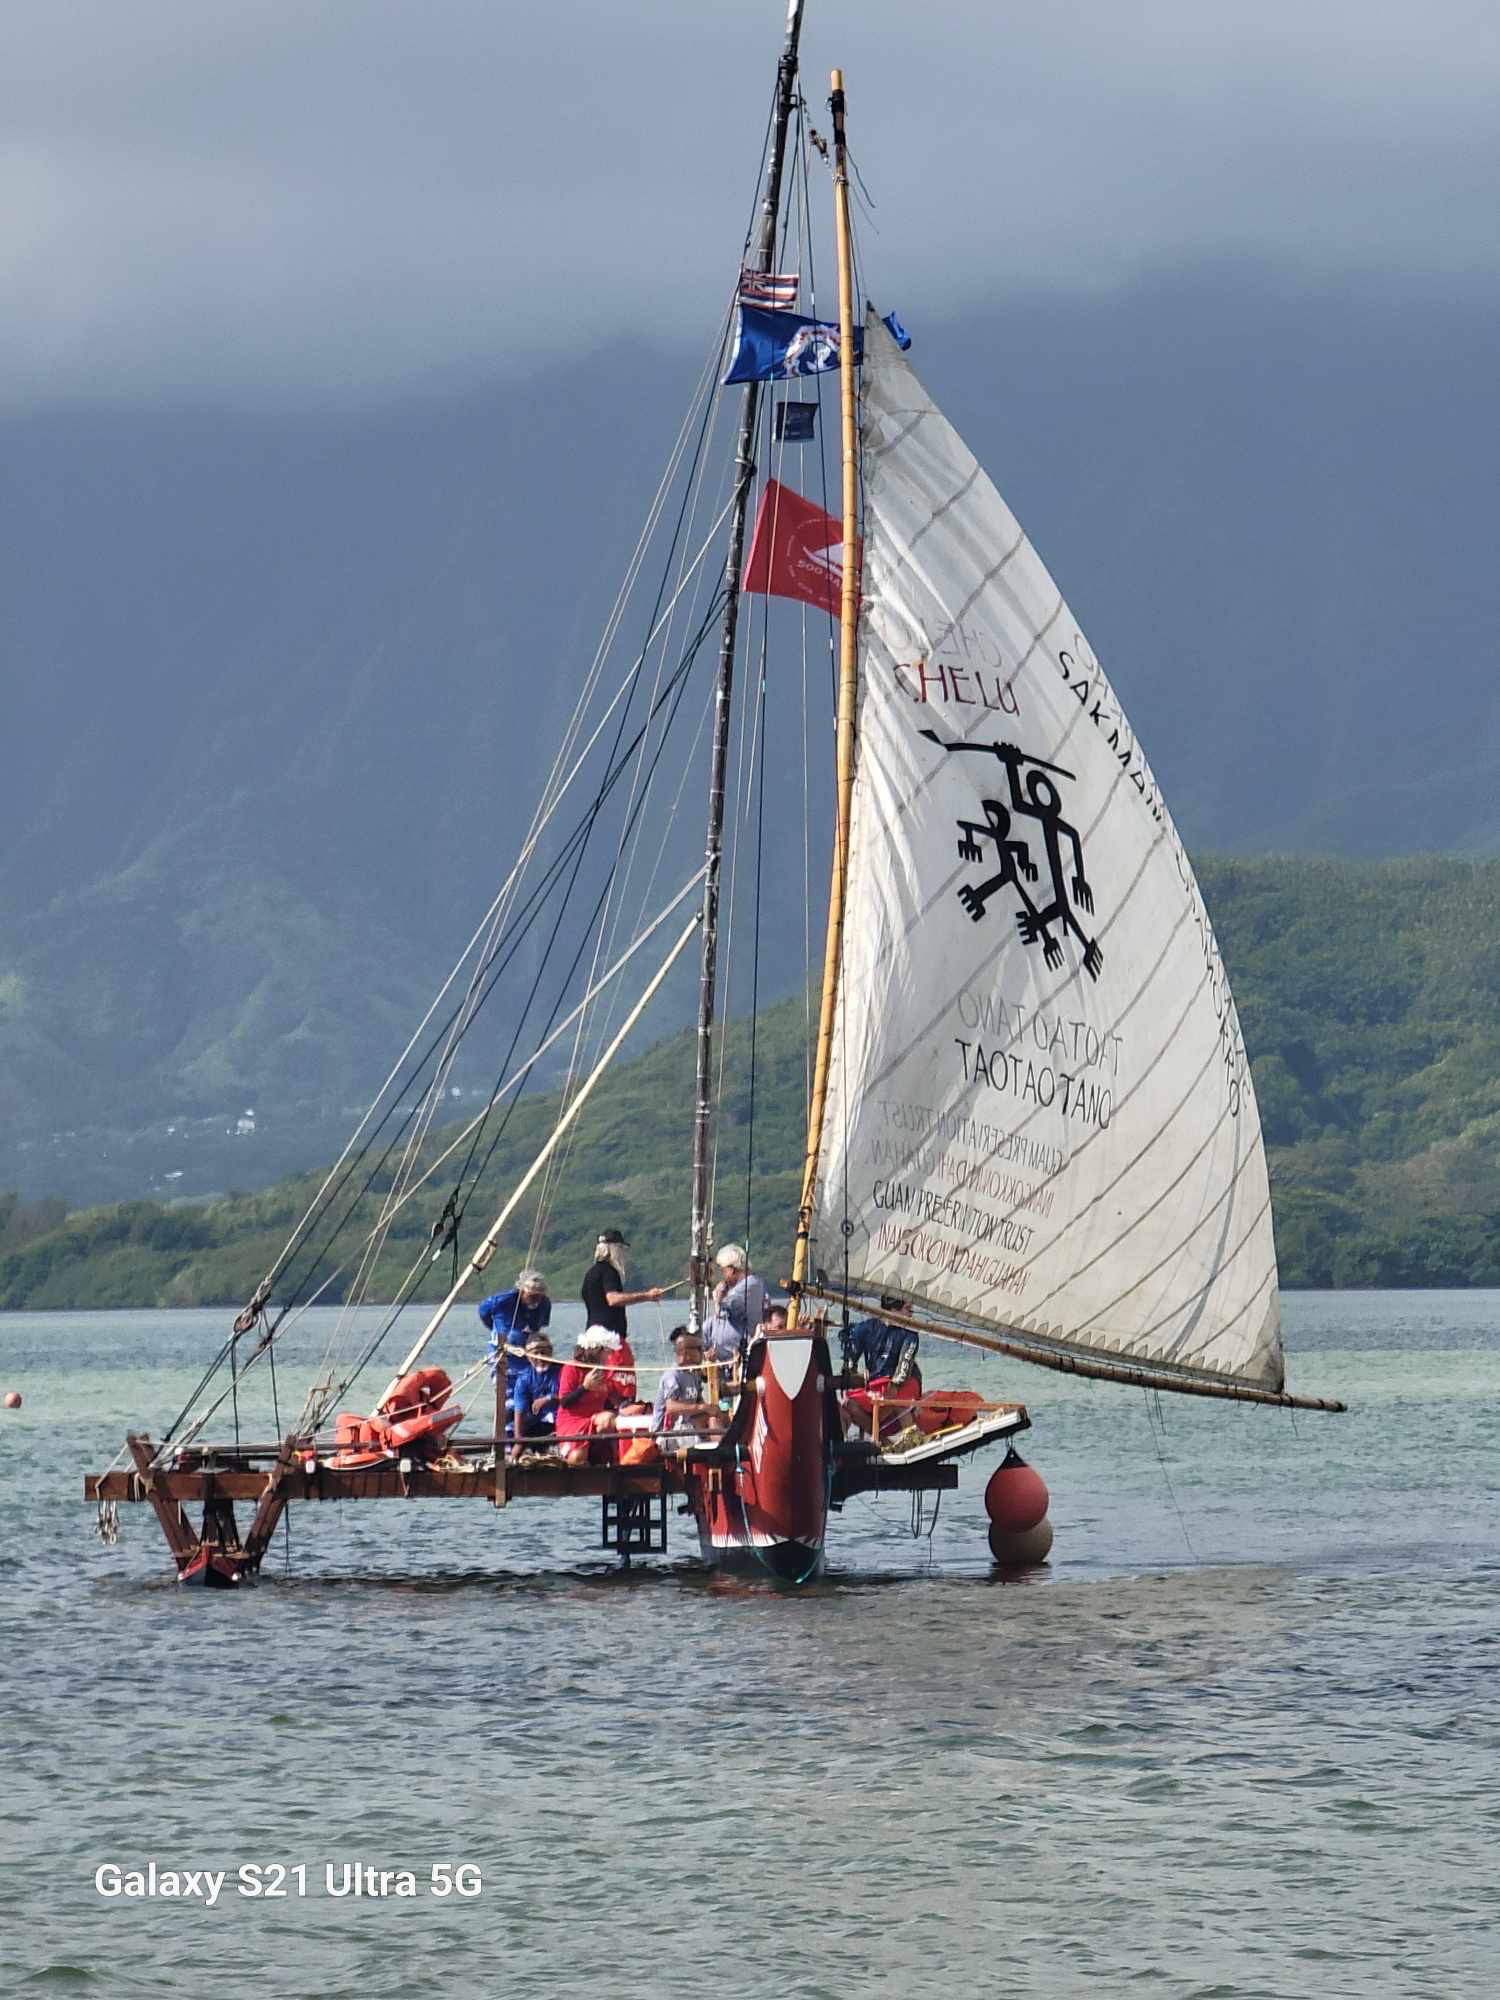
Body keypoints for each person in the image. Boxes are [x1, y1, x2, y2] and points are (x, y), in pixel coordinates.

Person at [841, 1297, 922, 1438]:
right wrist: (853, 1376)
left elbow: (906, 1362)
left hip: (906, 1381)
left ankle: (911, 1439)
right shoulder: (865, 1328)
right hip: (876, 1383)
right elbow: (850, 1360)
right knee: (847, 1404)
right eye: (908, 1309)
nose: (911, 1314)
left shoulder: (911, 1333)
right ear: (893, 1308)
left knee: (897, 1401)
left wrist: (895, 1384)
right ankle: (881, 1441)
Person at [478, 1270, 551, 1410]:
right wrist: (495, 1329)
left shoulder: (544, 1304)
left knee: (530, 1390)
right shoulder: (501, 1301)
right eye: (532, 1296)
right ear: (522, 1291)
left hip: (527, 1354)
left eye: (539, 1296)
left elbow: (539, 1326)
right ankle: (506, 1418)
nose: (536, 1300)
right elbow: (483, 1312)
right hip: (502, 1353)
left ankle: (527, 1418)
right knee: (507, 1394)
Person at [581, 1230, 665, 1344]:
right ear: (614, 1249)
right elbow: (613, 1299)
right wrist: (647, 1296)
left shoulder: (590, 1273)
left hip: (591, 1336)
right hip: (609, 1337)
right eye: (620, 1248)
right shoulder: (609, 1272)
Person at [554, 1329, 621, 1466]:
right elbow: (565, 1402)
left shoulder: (602, 1371)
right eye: (607, 1351)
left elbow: (605, 1401)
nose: (609, 1356)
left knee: (610, 1420)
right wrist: (585, 1387)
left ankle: (614, 1459)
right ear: (597, 1350)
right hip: (573, 1420)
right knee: (577, 1458)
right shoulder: (571, 1368)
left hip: (595, 1418)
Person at [652, 1325, 723, 1445]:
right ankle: (722, 1451)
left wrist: (711, 1409)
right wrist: (702, 1408)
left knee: (716, 1416)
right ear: (687, 1353)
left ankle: (722, 1448)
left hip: (686, 1425)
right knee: (711, 1419)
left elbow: (699, 1399)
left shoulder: (694, 1373)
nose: (702, 1353)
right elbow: (671, 1407)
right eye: (699, 1349)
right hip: (667, 1433)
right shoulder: (673, 1375)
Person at [703, 1243, 767, 1363]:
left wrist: (718, 1299)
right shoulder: (734, 1289)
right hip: (723, 1362)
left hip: (744, 1359)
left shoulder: (751, 1284)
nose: (722, 1276)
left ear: (732, 1270)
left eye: (722, 1271)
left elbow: (731, 1303)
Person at [507, 1333, 562, 1452]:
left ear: (550, 1353)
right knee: (512, 1431)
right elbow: (519, 1411)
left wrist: (548, 1398)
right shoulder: (524, 1379)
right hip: (535, 1423)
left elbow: (570, 1397)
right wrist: (518, 1441)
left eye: (543, 1352)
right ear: (528, 1357)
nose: (540, 1357)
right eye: (535, 1353)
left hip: (559, 1421)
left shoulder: (561, 1371)